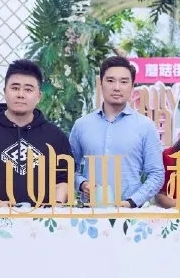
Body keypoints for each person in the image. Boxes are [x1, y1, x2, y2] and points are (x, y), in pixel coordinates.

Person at [0, 59, 72, 207]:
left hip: (42, 218)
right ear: (5, 92)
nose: (21, 94)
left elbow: (64, 178)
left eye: (28, 89)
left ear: (39, 96)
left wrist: (55, 206)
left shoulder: (55, 136)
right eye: (15, 88)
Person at [69, 55, 164, 208]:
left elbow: (156, 174)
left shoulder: (146, 126)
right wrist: (82, 183)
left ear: (132, 87)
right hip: (90, 213)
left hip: (130, 213)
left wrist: (132, 202)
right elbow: (68, 169)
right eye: (110, 81)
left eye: (124, 82)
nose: (117, 87)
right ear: (101, 84)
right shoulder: (82, 125)